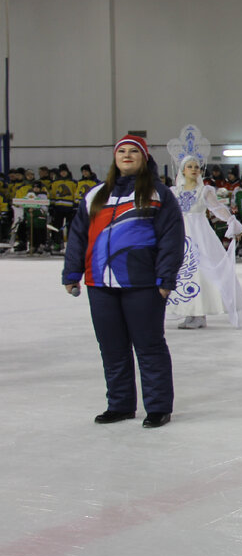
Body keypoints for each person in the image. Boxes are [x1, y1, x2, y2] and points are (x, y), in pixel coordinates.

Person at [62, 134, 184, 428]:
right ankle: (119, 404)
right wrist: (72, 272)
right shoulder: (95, 196)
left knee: (149, 346)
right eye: (122, 151)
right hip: (100, 284)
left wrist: (166, 278)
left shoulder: (158, 194)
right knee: (112, 348)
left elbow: (171, 238)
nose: (127, 155)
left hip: (142, 284)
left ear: (144, 158)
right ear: (115, 159)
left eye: (134, 151)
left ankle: (157, 407)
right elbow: (78, 236)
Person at [165, 125, 242, 329]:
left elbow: (217, 209)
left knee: (201, 271)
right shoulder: (173, 191)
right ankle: (190, 310)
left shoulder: (204, 190)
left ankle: (199, 313)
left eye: (197, 167)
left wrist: (232, 222)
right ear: (182, 170)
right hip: (179, 234)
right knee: (182, 270)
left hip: (199, 235)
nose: (195, 170)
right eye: (191, 167)